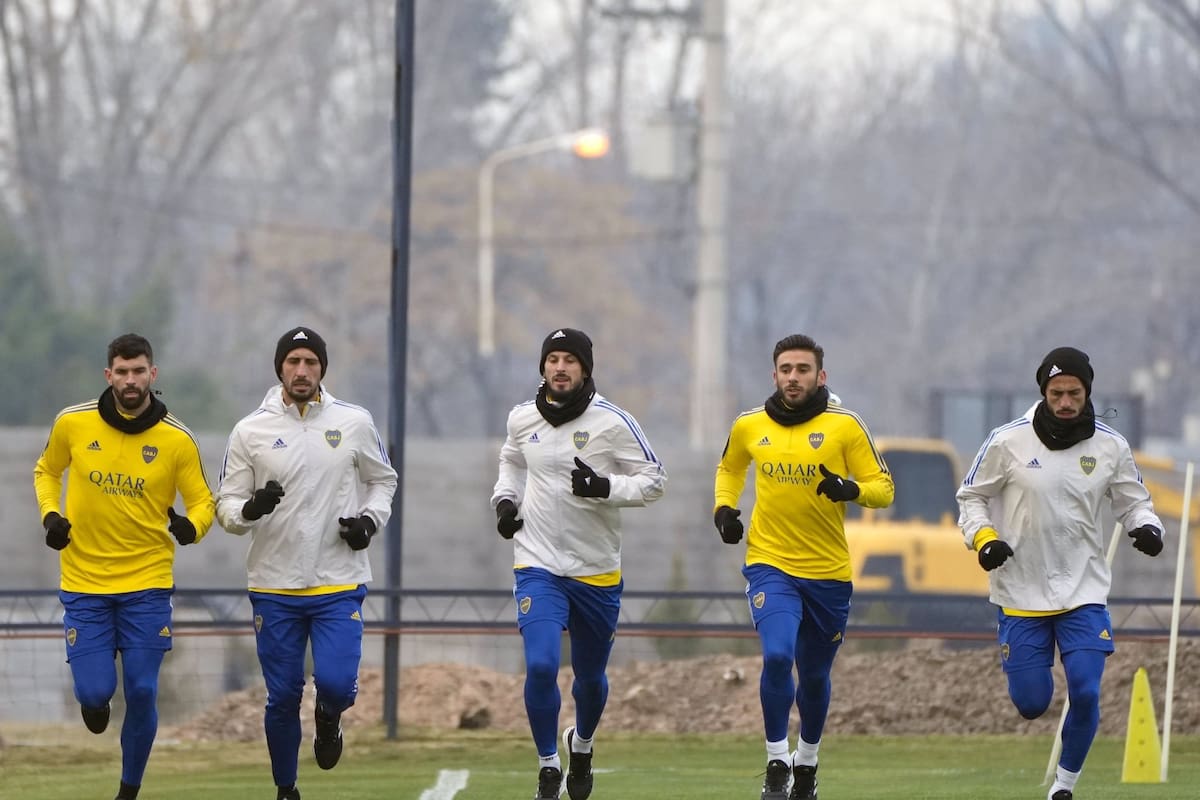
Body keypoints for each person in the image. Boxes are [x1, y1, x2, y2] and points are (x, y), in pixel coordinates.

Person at [956, 346, 1164, 800]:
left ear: (1087, 392)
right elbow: (970, 497)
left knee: (1086, 692)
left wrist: (1146, 526)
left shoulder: (1110, 445)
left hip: (1083, 590)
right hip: (1020, 589)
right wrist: (984, 537)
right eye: (1056, 393)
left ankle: (1063, 788)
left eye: (1074, 392)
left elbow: (1135, 502)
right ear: (1043, 393)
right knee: (1032, 703)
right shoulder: (1007, 441)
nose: (1065, 401)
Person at [215, 326, 397, 800]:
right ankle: (286, 788)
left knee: (336, 685)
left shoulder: (354, 421)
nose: (301, 371)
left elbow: (384, 481)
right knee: (283, 696)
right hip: (274, 585)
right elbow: (226, 508)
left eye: (310, 362)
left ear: (322, 369)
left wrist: (369, 522)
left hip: (338, 580)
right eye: (293, 362)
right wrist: (251, 510)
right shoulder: (250, 430)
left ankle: (330, 717)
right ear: (280, 368)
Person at [32, 333, 215, 800]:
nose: (130, 380)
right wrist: (51, 516)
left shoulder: (177, 439)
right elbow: (46, 471)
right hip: (85, 582)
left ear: (153, 374)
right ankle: (92, 703)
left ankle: (129, 790)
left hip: (148, 584)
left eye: (139, 371)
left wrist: (191, 528)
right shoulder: (73, 423)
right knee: (96, 695)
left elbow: (202, 503)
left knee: (142, 690)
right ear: (108, 374)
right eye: (122, 371)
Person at [713, 333, 894, 800]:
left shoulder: (845, 426)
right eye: (786, 370)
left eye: (803, 370)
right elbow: (730, 468)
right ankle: (777, 761)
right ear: (774, 375)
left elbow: (884, 488)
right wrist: (724, 509)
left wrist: (851, 491)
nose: (794, 378)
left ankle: (807, 763)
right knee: (776, 656)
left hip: (829, 574)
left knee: (813, 676)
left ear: (821, 377)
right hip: (769, 563)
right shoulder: (750, 425)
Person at [492, 327, 667, 800]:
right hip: (537, 564)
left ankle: (582, 745)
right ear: (542, 367)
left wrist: (605, 487)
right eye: (553, 359)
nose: (560, 368)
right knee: (543, 666)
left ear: (585, 369)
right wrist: (505, 501)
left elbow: (654, 481)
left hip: (596, 570)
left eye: (570, 360)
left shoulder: (613, 422)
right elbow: (510, 460)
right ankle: (549, 765)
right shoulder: (522, 418)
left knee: (590, 679)